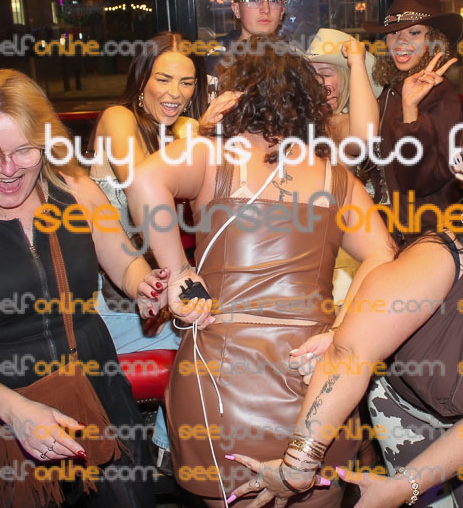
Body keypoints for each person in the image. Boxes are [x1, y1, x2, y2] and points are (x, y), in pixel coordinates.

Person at [228, 130, 463, 507]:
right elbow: (351, 354)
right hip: (405, 411)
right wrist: (298, 463)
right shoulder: (439, 259)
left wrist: (402, 487)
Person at [126, 36, 397, 507]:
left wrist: (179, 272)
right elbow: (383, 255)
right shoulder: (336, 177)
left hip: (221, 375)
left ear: (237, 95)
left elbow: (144, 178)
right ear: (308, 102)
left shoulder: (213, 154)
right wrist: (340, 330)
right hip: (313, 378)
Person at [0, 69, 160, 507]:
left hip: (95, 385)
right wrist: (16, 412)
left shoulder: (76, 191)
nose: (8, 170)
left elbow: (125, 262)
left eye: (24, 150)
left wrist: (147, 285)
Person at [87, 31, 238, 468]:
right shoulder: (119, 119)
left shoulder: (187, 130)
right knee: (218, 334)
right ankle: (172, 450)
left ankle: (177, 447)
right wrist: (199, 137)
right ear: (142, 80)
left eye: (187, 83)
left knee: (234, 325)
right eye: (164, 79)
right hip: (115, 300)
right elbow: (143, 190)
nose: (175, 93)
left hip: (164, 295)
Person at [363, 0, 463, 242]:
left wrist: (410, 111)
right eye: (393, 33)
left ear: (434, 41)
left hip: (426, 237)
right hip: (390, 232)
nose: (400, 41)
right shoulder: (391, 91)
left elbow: (421, 181)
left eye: (414, 32)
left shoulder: (440, 94)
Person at [206, 0, 289, 95]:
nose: (266, 9)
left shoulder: (291, 59)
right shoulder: (218, 57)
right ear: (236, 9)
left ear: (282, 10)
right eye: (254, 0)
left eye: (274, 1)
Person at [305, 28, 382, 149]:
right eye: (311, 74)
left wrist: (356, 63)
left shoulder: (339, 123)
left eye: (326, 74)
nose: (317, 80)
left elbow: (363, 138)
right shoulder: (305, 117)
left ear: (347, 82)